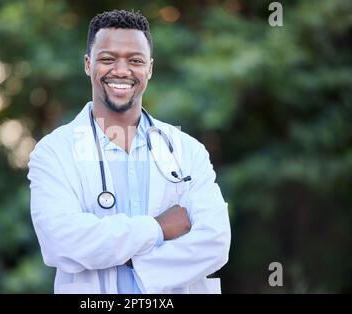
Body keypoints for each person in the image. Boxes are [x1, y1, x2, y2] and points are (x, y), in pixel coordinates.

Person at [28, 9, 231, 294]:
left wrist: (131, 263)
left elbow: (215, 242)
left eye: (135, 60)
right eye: (107, 59)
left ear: (149, 68)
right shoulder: (53, 152)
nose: (121, 71)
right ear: (88, 64)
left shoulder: (186, 150)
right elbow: (61, 242)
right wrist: (158, 229)